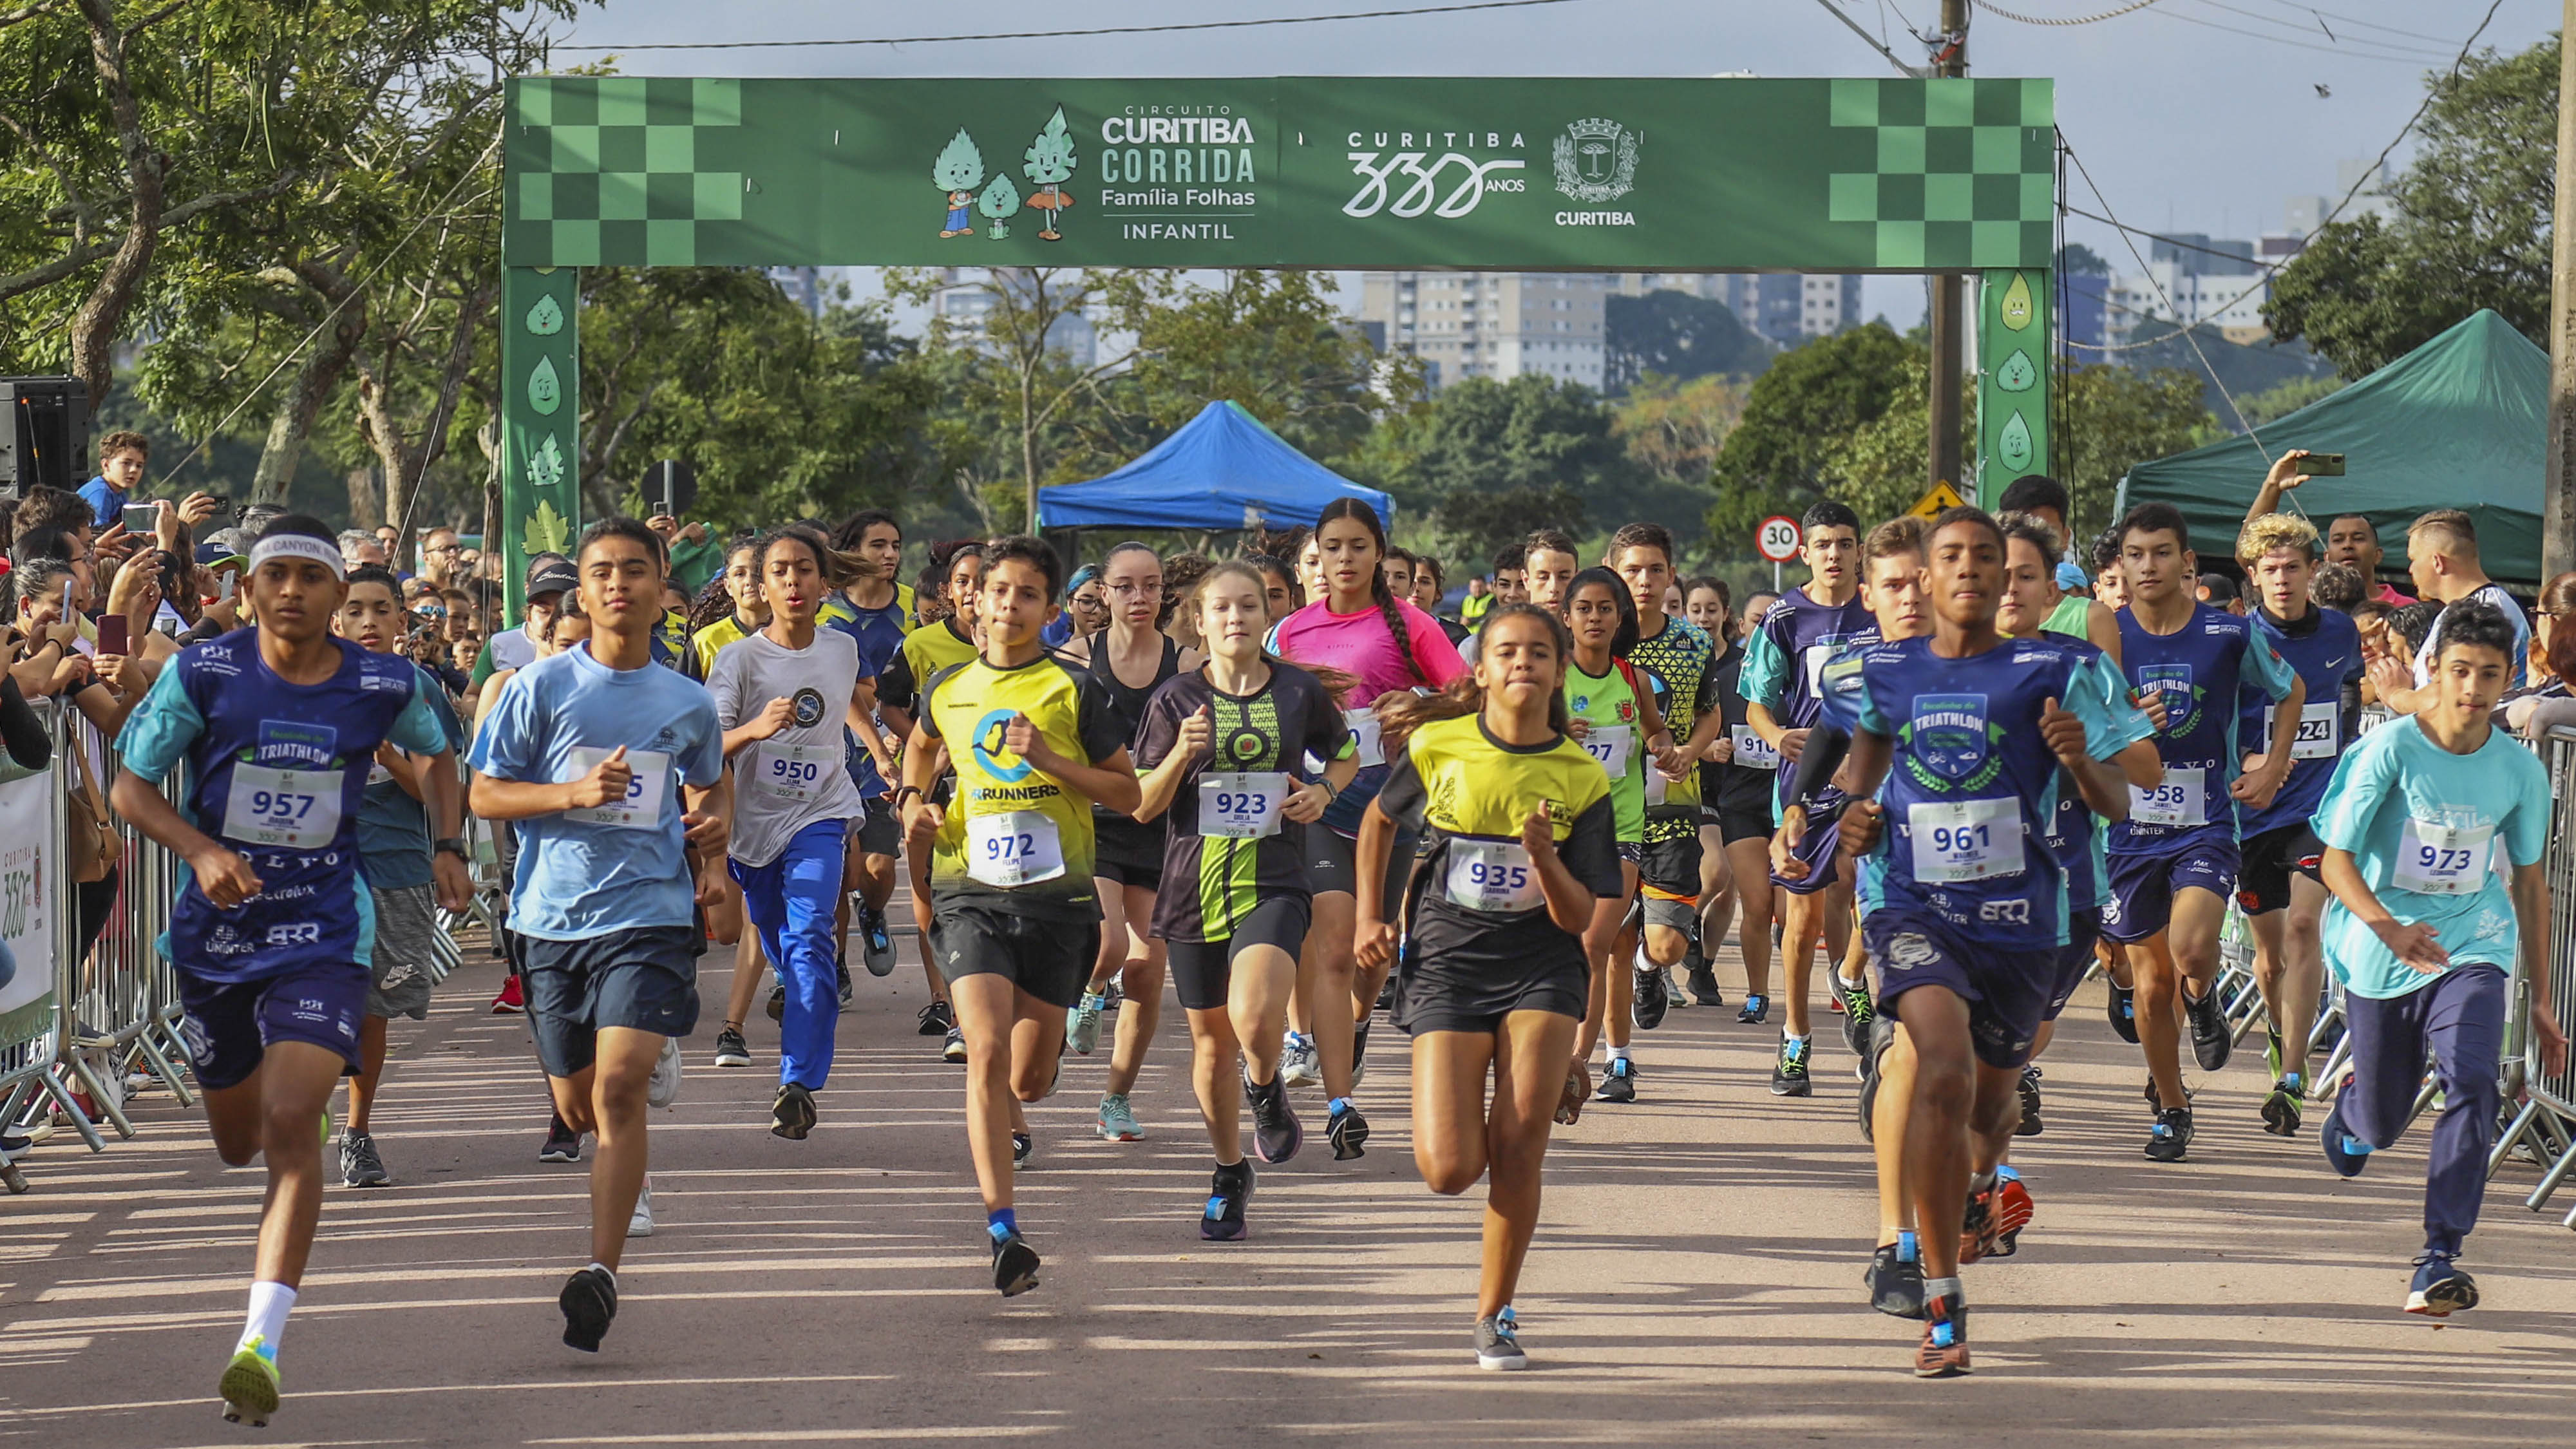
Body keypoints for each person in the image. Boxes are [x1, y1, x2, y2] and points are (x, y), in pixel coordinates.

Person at [108, 516, 471, 1423]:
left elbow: (438, 750)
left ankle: (259, 1343)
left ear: (337, 595)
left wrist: (451, 841)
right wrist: (197, 848)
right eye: (281, 576)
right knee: (239, 1138)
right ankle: (233, 1099)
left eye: (316, 578)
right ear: (250, 590)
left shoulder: (385, 679)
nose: (296, 592)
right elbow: (129, 785)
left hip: (325, 928)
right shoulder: (209, 672)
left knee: (291, 1117)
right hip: (219, 936)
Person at [1800, 507, 2147, 1378]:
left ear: (2008, 579)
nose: (1966, 571)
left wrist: (2077, 760)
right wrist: (1849, 812)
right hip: (1912, 906)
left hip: (2025, 919)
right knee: (1937, 1068)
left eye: (1985, 559)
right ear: (1923, 573)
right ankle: (1942, 1294)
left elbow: (2117, 804)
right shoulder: (1879, 668)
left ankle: (1983, 1183)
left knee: (1994, 1108)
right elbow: (1861, 755)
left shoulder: (2061, 668)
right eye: (1948, 556)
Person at [466, 517, 731, 1353]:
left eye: (635, 571)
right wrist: (573, 794)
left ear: (661, 589)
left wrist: (711, 844)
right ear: (582, 592)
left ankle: (602, 1271)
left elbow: (711, 792)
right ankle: (641, 1055)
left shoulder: (686, 700)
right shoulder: (537, 690)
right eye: (602, 572)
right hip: (549, 919)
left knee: (618, 1091)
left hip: (648, 914)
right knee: (578, 1106)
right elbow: (483, 796)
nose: (618, 584)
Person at [1358, 604, 1622, 1370]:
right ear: (1480, 670)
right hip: (1448, 956)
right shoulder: (1440, 745)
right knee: (1447, 1170)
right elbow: (1378, 822)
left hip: (1542, 963)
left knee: (1517, 1146)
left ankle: (1495, 1312)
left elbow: (1579, 916)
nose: (1522, 664)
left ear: (1558, 670)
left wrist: (1545, 859)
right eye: (1506, 651)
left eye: (1540, 652)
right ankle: (1546, 1075)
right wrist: (1366, 920)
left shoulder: (1580, 776)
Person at [896, 535, 1142, 1296]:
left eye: (1026, 594)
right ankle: (1002, 1228)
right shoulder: (947, 685)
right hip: (970, 889)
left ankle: (1038, 1083)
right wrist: (913, 805)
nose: (1007, 604)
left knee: (1030, 1082)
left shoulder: (1075, 691)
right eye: (996, 590)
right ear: (975, 599)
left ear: (1047, 609)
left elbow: (1127, 794)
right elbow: (918, 749)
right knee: (984, 1050)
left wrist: (1051, 761)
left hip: (1058, 901)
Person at [2311, 599, 2565, 1316]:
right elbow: (2334, 863)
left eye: (2490, 674)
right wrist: (2387, 926)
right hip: (2380, 947)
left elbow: (2527, 883)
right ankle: (2357, 1110)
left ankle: (2438, 1256)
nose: (2473, 688)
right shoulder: (2389, 751)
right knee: (2385, 1124)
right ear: (2436, 670)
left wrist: (2539, 998)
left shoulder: (2518, 772)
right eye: (2460, 670)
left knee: (2474, 1080)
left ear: (2508, 676)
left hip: (2472, 945)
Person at [1132, 561, 1357, 1237]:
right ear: (1198, 621)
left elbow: (1342, 754)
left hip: (1273, 878)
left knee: (1256, 1015)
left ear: (1267, 618)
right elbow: (1142, 806)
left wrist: (1324, 791)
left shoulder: (1296, 691)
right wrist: (1179, 755)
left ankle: (1265, 1083)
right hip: (1191, 887)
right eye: (1222, 609)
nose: (1236, 619)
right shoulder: (1173, 700)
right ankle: (1229, 1172)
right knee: (1209, 1045)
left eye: (1249, 608)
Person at [1267, 499, 1466, 1157]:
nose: (1345, 559)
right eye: (1333, 547)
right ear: (1316, 556)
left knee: (1368, 955)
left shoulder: (1409, 624)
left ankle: (1351, 1026)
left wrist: (1420, 702)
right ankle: (1339, 1103)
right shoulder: (1291, 630)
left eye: (1358, 546)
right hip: (1320, 804)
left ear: (1379, 553)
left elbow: (1470, 693)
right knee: (1330, 950)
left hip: (1391, 805)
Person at [2104, 502, 2302, 1163]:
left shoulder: (2227, 633)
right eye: (2136, 554)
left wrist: (2273, 768)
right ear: (2121, 565)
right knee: (2150, 987)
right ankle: (2171, 1105)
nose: (2148, 565)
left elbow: (2291, 690)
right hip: (2128, 830)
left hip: (2206, 823)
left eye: (2161, 552)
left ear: (2187, 563)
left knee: (2190, 949)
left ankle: (2205, 989)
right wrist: (2125, 721)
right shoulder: (2108, 640)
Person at [709, 526, 882, 1139]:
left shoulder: (842, 649)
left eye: (804, 570)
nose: (792, 582)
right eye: (779, 571)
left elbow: (847, 706)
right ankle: (794, 988)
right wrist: (754, 730)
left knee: (811, 938)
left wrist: (878, 752)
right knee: (782, 941)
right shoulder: (740, 659)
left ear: (824, 582)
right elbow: (707, 747)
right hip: (755, 830)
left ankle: (798, 1082)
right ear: (762, 585)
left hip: (822, 813)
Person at [330, 564, 468, 1189]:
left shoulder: (416, 688)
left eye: (380, 610)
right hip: (313, 866)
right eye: (354, 610)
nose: (367, 623)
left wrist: (389, 757)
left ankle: (357, 1132)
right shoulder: (304, 682)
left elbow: (438, 784)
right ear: (335, 617)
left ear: (400, 621)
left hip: (393, 863)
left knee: (375, 1009)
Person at [2232, 513, 2363, 1137]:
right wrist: (2247, 760)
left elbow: (2350, 696)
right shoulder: (2236, 639)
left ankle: (2290, 1076)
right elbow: (2214, 722)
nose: (2281, 580)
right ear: (2253, 577)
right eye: (2269, 570)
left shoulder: (2339, 630)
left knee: (2305, 925)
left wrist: (2346, 759)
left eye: (2292, 568)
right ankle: (2277, 1029)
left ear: (2313, 571)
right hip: (2256, 811)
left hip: (2320, 806)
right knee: (2267, 956)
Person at [1061, 543, 1193, 1142]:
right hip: (1095, 822)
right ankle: (1088, 993)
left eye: (1152, 586)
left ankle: (1116, 1099)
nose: (1140, 598)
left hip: (1162, 827)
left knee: (1145, 972)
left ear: (1165, 593)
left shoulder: (1190, 664)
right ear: (1104, 593)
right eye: (1126, 587)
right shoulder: (1074, 657)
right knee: (1110, 943)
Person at [1742, 500, 1874, 1088]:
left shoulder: (1882, 608)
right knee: (1803, 918)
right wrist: (1779, 738)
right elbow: (1755, 703)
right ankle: (1795, 1036)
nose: (1835, 555)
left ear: (1859, 551)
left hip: (1876, 775)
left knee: (1878, 892)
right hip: (1805, 787)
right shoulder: (1784, 618)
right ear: (1806, 552)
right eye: (1824, 545)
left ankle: (1850, 977)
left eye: (1845, 544)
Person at [1603, 525, 1719, 1066]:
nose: (1644, 581)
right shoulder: (1594, 638)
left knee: (1667, 945)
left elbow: (1708, 712)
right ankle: (1611, 1059)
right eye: (1632, 570)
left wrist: (1689, 753)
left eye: (1654, 570)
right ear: (1613, 572)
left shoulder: (1693, 642)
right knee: (1608, 940)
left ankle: (1651, 972)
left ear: (1672, 575)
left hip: (1672, 809)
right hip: (1602, 816)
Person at [1557, 567, 1674, 1106]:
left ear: (1619, 616)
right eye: (1585, 608)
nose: (1596, 618)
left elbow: (1655, 731)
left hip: (1621, 828)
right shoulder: (1554, 678)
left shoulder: (1633, 678)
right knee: (1559, 947)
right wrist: (1556, 730)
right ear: (1567, 617)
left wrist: (1663, 749)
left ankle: (1577, 1063)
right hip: (1559, 829)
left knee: (1595, 944)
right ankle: (1552, 1050)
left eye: (1605, 608)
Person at [876, 542, 986, 1061]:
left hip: (997, 799)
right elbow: (891, 705)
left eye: (984, 581)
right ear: (949, 590)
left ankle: (972, 1010)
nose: (973, 591)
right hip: (932, 792)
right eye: (963, 581)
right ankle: (942, 996)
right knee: (931, 896)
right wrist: (926, 760)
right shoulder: (922, 647)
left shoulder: (1036, 657)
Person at [822, 508, 915, 983]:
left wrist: (907, 726)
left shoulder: (915, 611)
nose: (890, 554)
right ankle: (834, 968)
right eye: (878, 545)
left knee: (876, 871)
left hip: (892, 762)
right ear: (852, 550)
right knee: (838, 872)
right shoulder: (824, 613)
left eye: (896, 545)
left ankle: (874, 914)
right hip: (832, 759)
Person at [2373, 509, 2532, 708]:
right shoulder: (2457, 610)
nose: (2410, 570)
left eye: (2413, 559)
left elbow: (2449, 694)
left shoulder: (2485, 611)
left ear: (2437, 562)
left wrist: (2396, 694)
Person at [1681, 576, 1754, 1008]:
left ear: (1726, 613)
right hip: (1695, 786)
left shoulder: (1746, 665)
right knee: (1716, 873)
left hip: (1742, 785)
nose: (1705, 618)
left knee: (1730, 889)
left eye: (1712, 609)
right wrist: (1702, 748)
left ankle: (1704, 967)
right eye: (1696, 609)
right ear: (1686, 614)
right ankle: (1687, 924)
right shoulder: (1680, 662)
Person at [78, 430, 150, 529]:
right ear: (106, 465)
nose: (134, 470)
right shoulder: (100, 493)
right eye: (126, 463)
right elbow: (98, 535)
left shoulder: (121, 495)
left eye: (139, 465)